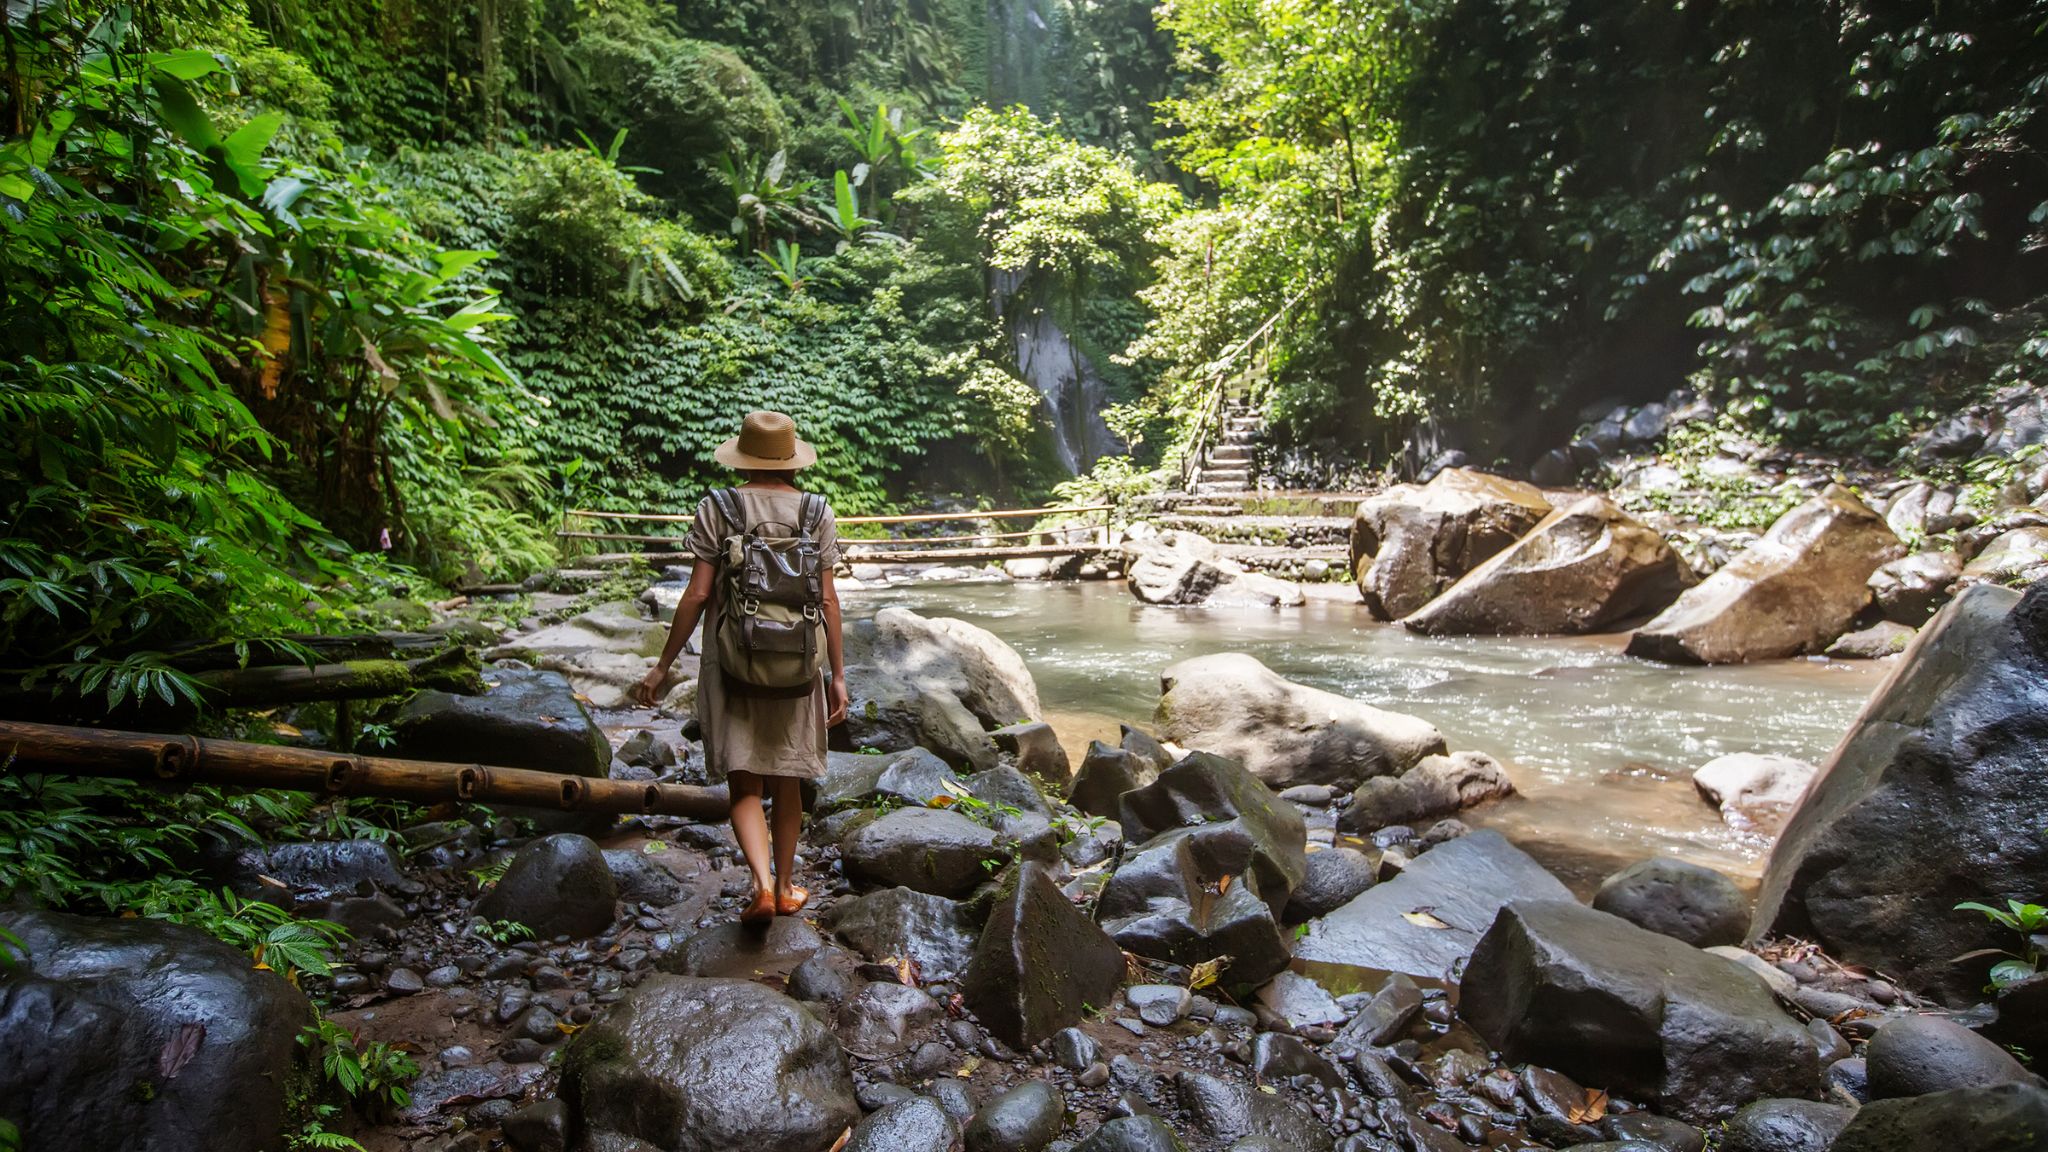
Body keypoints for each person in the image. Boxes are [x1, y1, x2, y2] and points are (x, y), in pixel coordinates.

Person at [629, 411, 848, 924]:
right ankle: (790, 885)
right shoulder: (817, 512)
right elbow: (830, 601)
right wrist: (838, 676)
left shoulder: (719, 507)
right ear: (792, 460)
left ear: (743, 458)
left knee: (745, 782)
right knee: (788, 778)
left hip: (731, 660)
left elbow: (699, 593)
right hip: (797, 664)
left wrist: (662, 667)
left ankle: (761, 885)